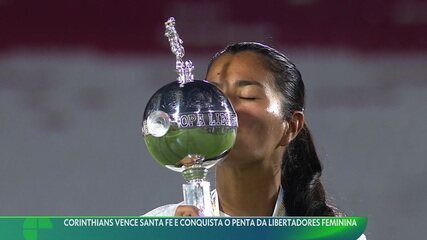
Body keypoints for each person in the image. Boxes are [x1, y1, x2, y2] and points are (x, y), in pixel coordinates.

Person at [144, 41, 366, 239]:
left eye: (247, 96)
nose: (224, 110)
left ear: (291, 125)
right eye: (214, 97)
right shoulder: (162, 227)